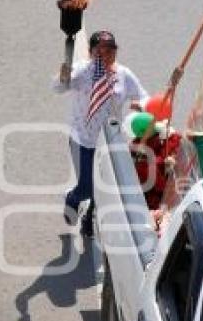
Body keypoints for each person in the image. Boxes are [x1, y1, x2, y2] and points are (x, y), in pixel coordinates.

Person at [52, 30, 146, 237]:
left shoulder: (123, 74)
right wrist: (63, 76)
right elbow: (58, 87)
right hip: (82, 140)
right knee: (87, 187)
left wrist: (140, 105)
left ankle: (89, 219)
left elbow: (143, 97)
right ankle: (72, 198)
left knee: (103, 188)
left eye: (110, 50)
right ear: (91, 51)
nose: (105, 54)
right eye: (100, 50)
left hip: (109, 141)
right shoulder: (81, 71)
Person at [129, 112, 182, 210]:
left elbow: (176, 144)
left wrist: (170, 136)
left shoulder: (162, 137)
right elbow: (157, 183)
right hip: (155, 199)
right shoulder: (138, 155)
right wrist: (164, 162)